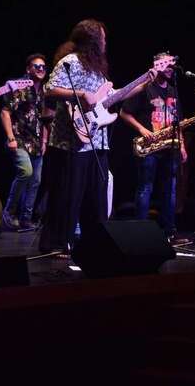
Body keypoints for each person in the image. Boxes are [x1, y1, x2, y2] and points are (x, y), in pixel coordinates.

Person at [38, 19, 154, 255]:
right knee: (67, 196)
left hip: (97, 141)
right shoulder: (70, 62)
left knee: (96, 198)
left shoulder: (97, 69)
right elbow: (49, 89)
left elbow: (113, 96)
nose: (105, 42)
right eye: (102, 38)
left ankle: (93, 244)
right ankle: (57, 244)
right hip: (70, 142)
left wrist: (144, 83)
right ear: (92, 40)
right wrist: (81, 94)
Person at [119, 52, 187, 240]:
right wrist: (142, 129)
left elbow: (178, 123)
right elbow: (124, 113)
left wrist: (182, 146)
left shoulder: (173, 90)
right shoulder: (145, 88)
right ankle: (140, 231)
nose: (170, 69)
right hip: (150, 147)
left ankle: (169, 231)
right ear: (157, 66)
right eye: (167, 65)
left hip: (170, 147)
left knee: (170, 189)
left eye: (172, 65)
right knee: (145, 188)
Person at [0, 53, 49, 231]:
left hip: (36, 142)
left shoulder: (44, 91)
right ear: (28, 69)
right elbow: (5, 112)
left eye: (43, 67)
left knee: (35, 180)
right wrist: (10, 138)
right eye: (37, 66)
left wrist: (44, 141)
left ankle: (25, 219)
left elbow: (45, 119)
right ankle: (8, 214)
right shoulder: (20, 86)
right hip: (19, 139)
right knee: (26, 171)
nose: (41, 69)